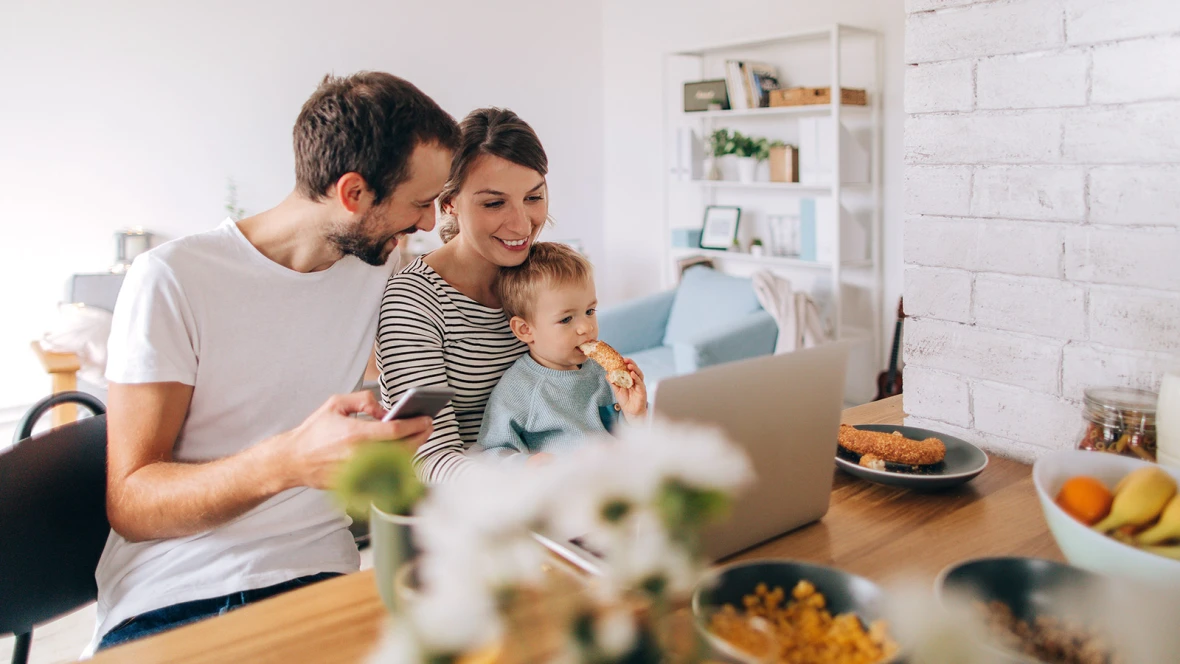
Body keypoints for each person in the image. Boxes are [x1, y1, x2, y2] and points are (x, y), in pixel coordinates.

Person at [92, 72, 459, 651]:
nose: (428, 223)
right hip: (181, 595)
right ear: (354, 193)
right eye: (419, 203)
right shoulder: (174, 279)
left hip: (321, 583)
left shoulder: (377, 270)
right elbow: (131, 503)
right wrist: (289, 460)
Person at [377, 107, 548, 483]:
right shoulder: (415, 301)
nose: (522, 224)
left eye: (533, 198)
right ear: (449, 202)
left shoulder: (545, 275)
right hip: (469, 513)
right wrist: (522, 478)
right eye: (494, 203)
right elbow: (430, 457)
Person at [473, 242, 646, 465]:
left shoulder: (603, 372)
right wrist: (525, 465)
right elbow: (491, 453)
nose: (586, 327)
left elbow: (634, 442)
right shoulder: (519, 389)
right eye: (566, 319)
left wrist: (634, 415)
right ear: (525, 330)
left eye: (589, 311)